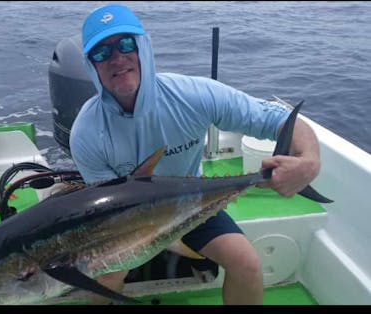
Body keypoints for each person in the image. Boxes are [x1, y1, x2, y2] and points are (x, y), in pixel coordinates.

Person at [69, 4, 321, 305]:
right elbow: (108, 211)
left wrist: (309, 160)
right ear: (92, 66)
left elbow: (277, 120)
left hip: (192, 206)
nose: (117, 58)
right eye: (102, 52)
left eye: (126, 44)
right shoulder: (86, 131)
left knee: (247, 263)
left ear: (143, 48)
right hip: (126, 223)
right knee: (103, 279)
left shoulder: (191, 96)